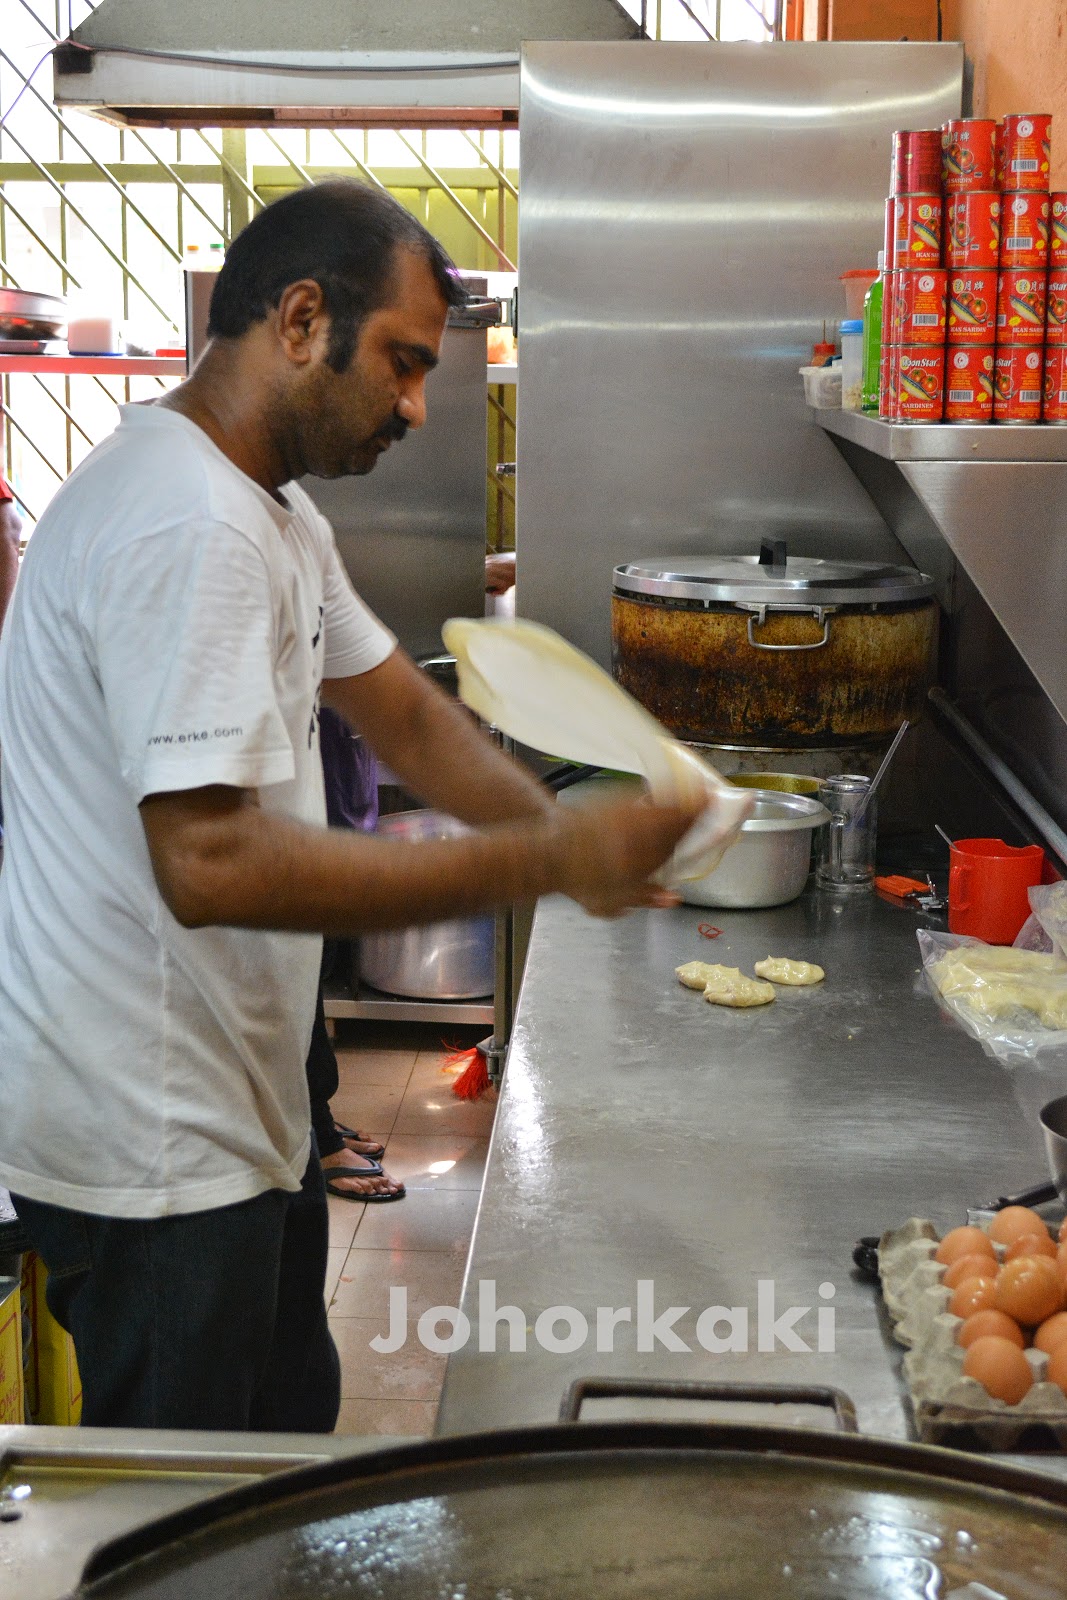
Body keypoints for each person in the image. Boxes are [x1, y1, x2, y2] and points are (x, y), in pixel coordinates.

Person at [0, 179, 706, 1433]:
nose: (417, 406)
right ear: (300, 318)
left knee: (276, 1446)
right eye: (402, 363)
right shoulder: (187, 524)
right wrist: (540, 863)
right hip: (149, 1138)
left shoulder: (269, 510)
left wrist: (558, 834)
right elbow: (208, 864)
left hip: (226, 1109)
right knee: (188, 1515)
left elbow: (404, 713)